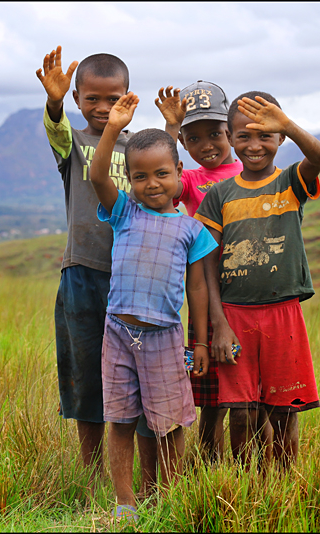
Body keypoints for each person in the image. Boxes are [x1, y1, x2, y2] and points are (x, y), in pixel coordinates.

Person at [89, 92, 217, 518]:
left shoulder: (190, 229)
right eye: (140, 176)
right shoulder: (125, 212)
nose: (152, 184)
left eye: (162, 173)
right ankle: (125, 503)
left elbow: (198, 289)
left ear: (180, 173)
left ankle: (168, 498)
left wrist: (199, 342)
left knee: (170, 424)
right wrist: (112, 130)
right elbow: (96, 176)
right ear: (130, 180)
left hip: (165, 337)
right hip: (119, 333)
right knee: (121, 420)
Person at [194, 91, 320, 470]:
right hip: (234, 318)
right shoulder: (219, 195)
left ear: (280, 139)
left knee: (285, 411)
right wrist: (217, 324)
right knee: (241, 413)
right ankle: (247, 488)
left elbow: (319, 156)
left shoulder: (291, 182)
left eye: (266, 135)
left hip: (283, 315)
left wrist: (285, 122)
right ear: (230, 138)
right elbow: (207, 266)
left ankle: (282, 489)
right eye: (243, 136)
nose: (254, 145)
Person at [36, 46, 149, 487]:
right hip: (83, 273)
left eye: (112, 98)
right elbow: (56, 128)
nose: (102, 108)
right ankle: (90, 472)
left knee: (136, 375)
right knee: (86, 374)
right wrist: (54, 101)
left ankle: (142, 476)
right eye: (92, 99)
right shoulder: (74, 146)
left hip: (134, 278)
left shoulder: (139, 150)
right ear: (79, 99)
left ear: (128, 97)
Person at [154, 80, 274, 465]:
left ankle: (263, 470)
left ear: (231, 134)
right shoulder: (188, 180)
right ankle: (210, 470)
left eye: (215, 134)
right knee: (209, 396)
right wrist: (171, 129)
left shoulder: (249, 171)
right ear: (185, 146)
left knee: (253, 396)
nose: (206, 144)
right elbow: (164, 181)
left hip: (249, 294)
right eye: (194, 138)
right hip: (206, 295)